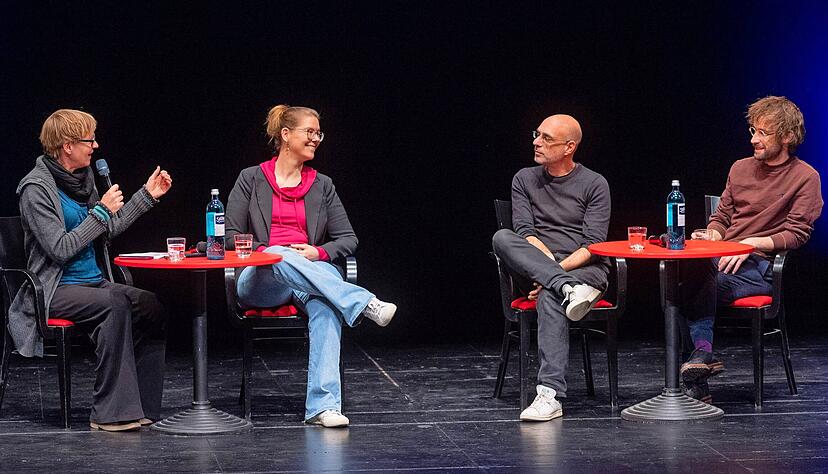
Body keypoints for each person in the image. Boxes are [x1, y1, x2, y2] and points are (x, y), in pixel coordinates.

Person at [225, 104, 397, 428]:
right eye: (310, 131)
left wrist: (317, 252)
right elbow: (231, 236)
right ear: (286, 135)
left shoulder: (322, 185)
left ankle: (324, 407)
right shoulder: (251, 179)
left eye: (319, 133)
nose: (316, 138)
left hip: (308, 277)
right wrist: (271, 252)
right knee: (280, 252)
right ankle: (363, 301)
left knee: (327, 306)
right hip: (260, 278)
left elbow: (348, 239)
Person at [9, 109, 173, 431]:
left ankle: (141, 406)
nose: (96, 145)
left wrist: (146, 196)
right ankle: (110, 413)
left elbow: (106, 229)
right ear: (67, 145)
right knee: (113, 304)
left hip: (92, 282)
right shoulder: (35, 189)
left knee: (150, 305)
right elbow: (60, 248)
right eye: (90, 139)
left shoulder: (83, 181)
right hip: (53, 289)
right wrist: (100, 212)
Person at [679, 96, 823, 403]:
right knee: (679, 279)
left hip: (761, 268)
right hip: (723, 260)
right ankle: (700, 364)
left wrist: (748, 244)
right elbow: (722, 217)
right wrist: (713, 235)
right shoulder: (740, 168)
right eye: (752, 131)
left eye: (763, 133)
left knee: (691, 287)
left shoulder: (805, 177)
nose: (753, 139)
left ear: (787, 137)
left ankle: (699, 366)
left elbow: (797, 234)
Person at [492, 114, 611, 421]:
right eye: (537, 134)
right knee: (502, 238)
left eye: (546, 138)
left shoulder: (595, 183)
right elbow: (525, 232)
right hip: (539, 267)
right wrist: (554, 274)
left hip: (585, 269)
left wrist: (553, 275)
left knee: (550, 296)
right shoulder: (524, 178)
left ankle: (550, 395)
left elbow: (592, 245)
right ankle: (566, 288)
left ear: (569, 147)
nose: (536, 142)